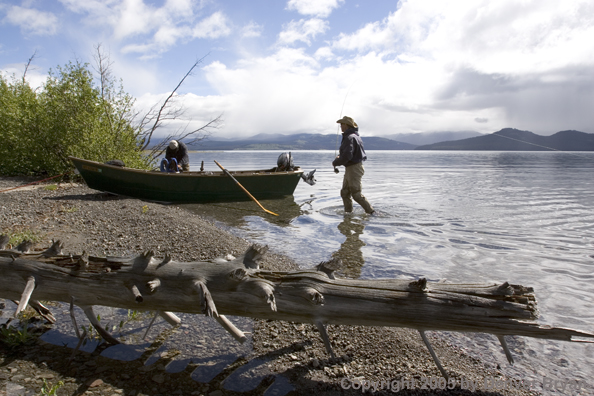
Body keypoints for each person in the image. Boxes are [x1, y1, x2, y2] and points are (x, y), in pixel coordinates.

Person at [332, 116, 374, 214]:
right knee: (345, 193)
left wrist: (335, 162)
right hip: (352, 168)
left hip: (354, 169)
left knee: (356, 195)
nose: (340, 126)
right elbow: (348, 153)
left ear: (346, 125)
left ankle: (372, 213)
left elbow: (348, 156)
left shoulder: (349, 137)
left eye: (342, 124)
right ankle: (348, 213)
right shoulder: (353, 136)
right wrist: (340, 157)